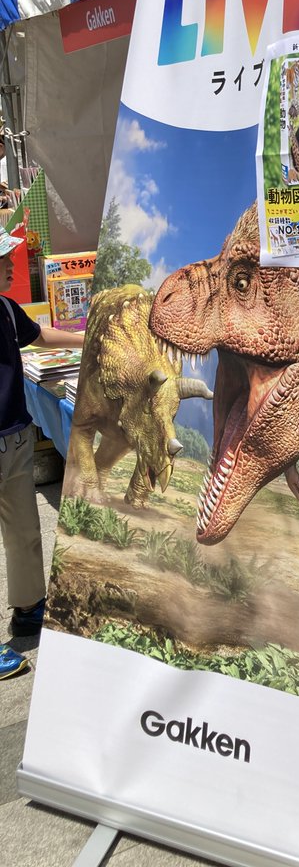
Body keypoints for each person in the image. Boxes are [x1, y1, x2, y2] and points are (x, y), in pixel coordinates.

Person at [0, 230, 84, 681]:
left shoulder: (8, 311)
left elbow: (40, 336)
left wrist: (84, 340)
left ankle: (29, 608)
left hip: (13, 439)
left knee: (24, 533)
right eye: (4, 258)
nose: (12, 264)